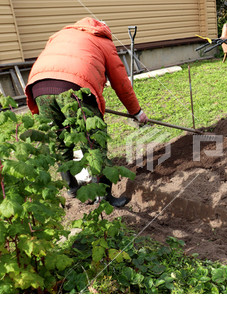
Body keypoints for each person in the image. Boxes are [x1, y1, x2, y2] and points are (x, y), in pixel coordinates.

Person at [25, 17, 150, 208]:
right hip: (75, 87)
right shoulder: (103, 41)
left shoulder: (60, 35)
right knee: (94, 143)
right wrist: (137, 112)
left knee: (59, 140)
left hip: (39, 86)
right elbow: (121, 82)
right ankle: (104, 197)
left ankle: (72, 187)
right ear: (103, 29)